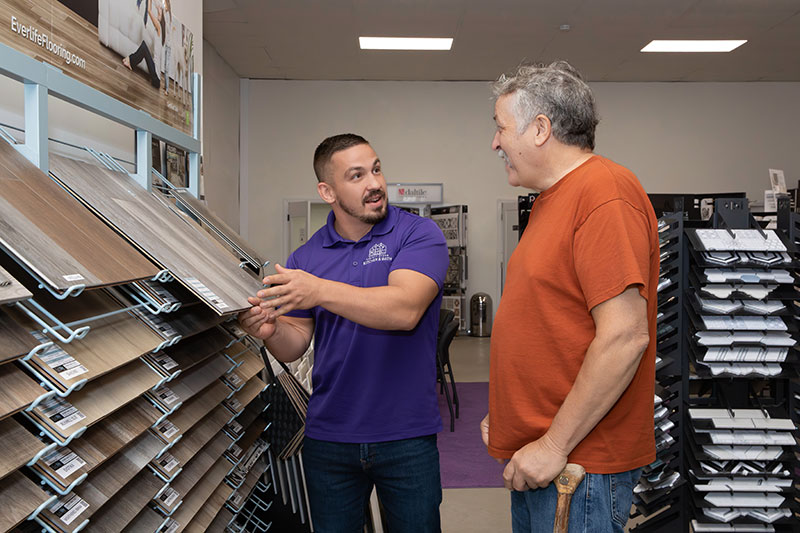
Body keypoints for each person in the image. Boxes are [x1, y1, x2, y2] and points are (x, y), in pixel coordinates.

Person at [481, 61, 659, 533]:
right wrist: (511, 412)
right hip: (546, 456)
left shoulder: (604, 193)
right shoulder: (551, 199)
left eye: (500, 128)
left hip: (578, 465)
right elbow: (553, 320)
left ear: (540, 129)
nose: (495, 143)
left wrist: (553, 444)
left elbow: (624, 337)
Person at [238, 134, 449, 532]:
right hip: (329, 436)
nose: (374, 183)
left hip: (405, 435)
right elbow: (295, 342)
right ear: (328, 191)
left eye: (376, 169)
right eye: (356, 176)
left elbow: (404, 309)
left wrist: (318, 289)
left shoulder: (418, 234)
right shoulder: (307, 256)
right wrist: (270, 331)